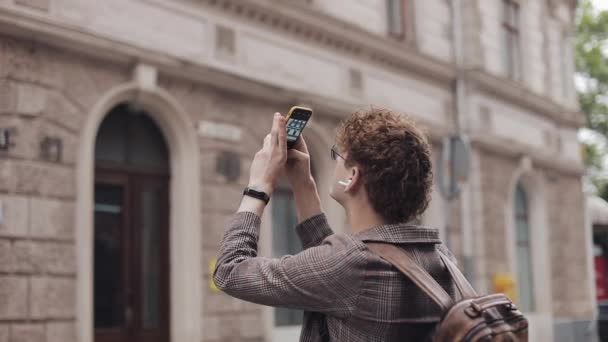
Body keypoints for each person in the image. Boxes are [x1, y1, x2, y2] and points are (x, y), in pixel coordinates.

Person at [214, 107, 459, 341]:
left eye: (338, 156)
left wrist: (258, 186)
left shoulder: (351, 263)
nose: (335, 164)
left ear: (352, 177)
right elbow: (332, 272)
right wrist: (303, 184)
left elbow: (229, 271)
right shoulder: (441, 258)